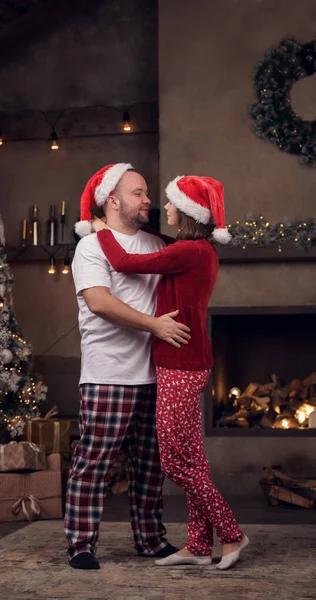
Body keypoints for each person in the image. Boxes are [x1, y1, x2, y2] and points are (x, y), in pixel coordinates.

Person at [92, 175, 249, 570]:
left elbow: (124, 262)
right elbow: (162, 239)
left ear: (189, 211)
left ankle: (231, 533)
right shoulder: (196, 249)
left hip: (179, 365)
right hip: (187, 362)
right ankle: (198, 545)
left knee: (176, 464)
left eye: (171, 202)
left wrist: (100, 229)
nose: (164, 207)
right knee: (193, 458)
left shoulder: (189, 252)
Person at [64, 163, 191, 570]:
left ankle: (151, 541)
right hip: (108, 375)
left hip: (155, 373)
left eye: (147, 193)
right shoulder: (91, 247)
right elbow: (99, 302)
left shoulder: (157, 244)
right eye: (138, 193)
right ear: (112, 200)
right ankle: (81, 545)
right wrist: (154, 324)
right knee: (94, 463)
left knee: (151, 467)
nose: (148, 200)